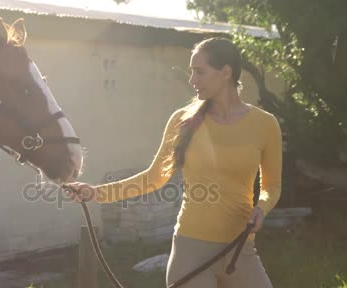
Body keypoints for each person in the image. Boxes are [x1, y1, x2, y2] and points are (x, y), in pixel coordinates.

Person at [67, 37, 281, 287]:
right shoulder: (182, 120)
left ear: (225, 72)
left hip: (240, 249)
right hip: (191, 251)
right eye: (192, 72)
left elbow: (272, 185)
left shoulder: (265, 124)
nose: (192, 80)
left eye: (200, 72)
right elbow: (153, 177)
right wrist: (96, 193)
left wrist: (261, 208)